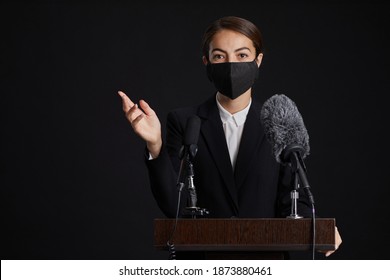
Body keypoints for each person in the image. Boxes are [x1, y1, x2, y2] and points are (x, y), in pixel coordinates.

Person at [118, 16, 342, 257]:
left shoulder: (279, 120)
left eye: (242, 55)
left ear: (259, 60)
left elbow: (294, 199)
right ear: (206, 62)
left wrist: (319, 228)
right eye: (219, 56)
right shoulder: (185, 122)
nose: (231, 64)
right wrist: (155, 144)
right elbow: (175, 206)